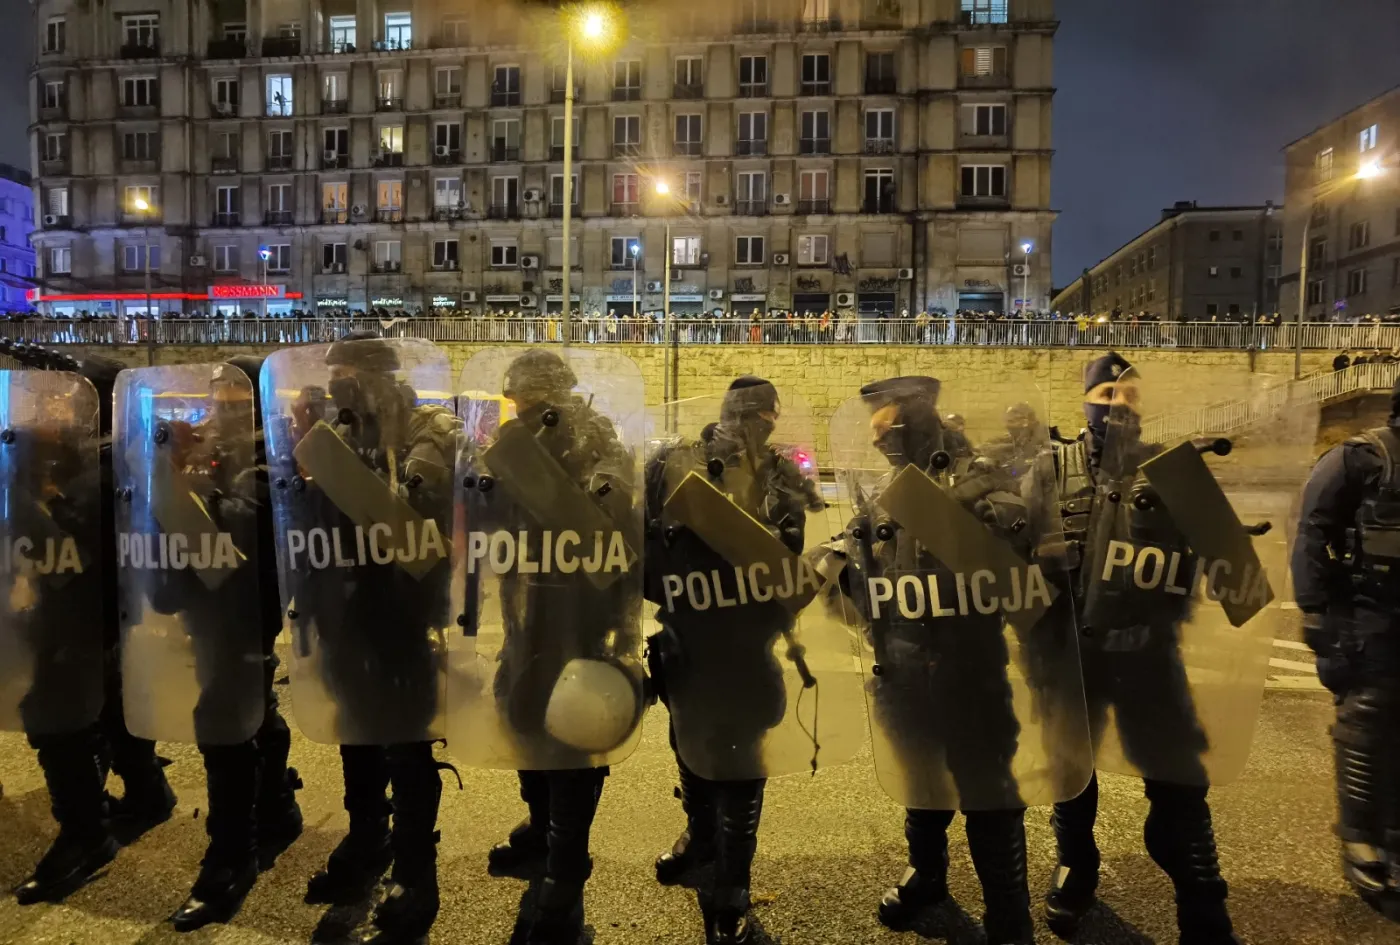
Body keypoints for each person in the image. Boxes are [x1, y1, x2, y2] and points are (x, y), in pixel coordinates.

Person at [836, 376, 1057, 945]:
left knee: (990, 796)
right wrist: (841, 575)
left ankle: (1009, 915)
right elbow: (860, 580)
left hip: (969, 672)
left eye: (886, 429)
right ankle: (927, 876)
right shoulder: (885, 491)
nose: (878, 441)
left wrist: (971, 518)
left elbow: (1024, 582)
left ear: (912, 425)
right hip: (904, 671)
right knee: (920, 782)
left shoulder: (980, 485)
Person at [1034, 352, 1244, 945]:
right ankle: (1077, 865)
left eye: (1128, 398)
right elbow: (1009, 555)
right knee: (1070, 772)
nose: (1117, 408)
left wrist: (1224, 537)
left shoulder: (1174, 470)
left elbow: (1232, 580)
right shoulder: (1049, 471)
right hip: (1070, 655)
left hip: (1151, 653)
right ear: (1085, 402)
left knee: (1179, 780)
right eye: (1105, 397)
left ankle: (1202, 898)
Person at [266, 332, 458, 944]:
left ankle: (415, 873)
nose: (339, 388)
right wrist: (305, 446)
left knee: (406, 741)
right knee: (356, 732)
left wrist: (341, 453)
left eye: (349, 377)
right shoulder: (334, 431)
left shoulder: (428, 428)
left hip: (401, 611)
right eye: (335, 378)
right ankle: (368, 838)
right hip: (341, 608)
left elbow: (415, 505)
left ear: (379, 377)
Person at [115, 358, 304, 931]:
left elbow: (255, 519)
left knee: (220, 712)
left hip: (245, 603)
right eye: (216, 403)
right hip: (202, 599)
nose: (219, 414)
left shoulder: (270, 455)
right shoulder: (208, 457)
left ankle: (230, 856)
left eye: (232, 404)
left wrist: (190, 480)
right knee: (249, 703)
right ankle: (276, 807)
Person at [469, 349, 646, 944]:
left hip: (580, 619)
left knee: (573, 739)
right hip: (526, 614)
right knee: (521, 716)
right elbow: (485, 515)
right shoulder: (516, 441)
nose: (519, 409)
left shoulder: (596, 441)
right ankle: (542, 831)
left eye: (527, 400)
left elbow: (612, 512)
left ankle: (566, 876)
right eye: (516, 400)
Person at [644, 377, 829, 944]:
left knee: (743, 770)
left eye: (760, 417)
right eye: (746, 415)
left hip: (748, 646)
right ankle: (700, 841)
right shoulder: (671, 463)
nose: (752, 426)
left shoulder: (781, 476)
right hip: (686, 638)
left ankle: (732, 887)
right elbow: (644, 545)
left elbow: (788, 564)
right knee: (690, 749)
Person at [6, 352, 177, 905]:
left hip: (84, 612)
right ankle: (148, 790)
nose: (48, 411)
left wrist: (20, 491)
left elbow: (64, 548)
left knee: (54, 716)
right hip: (107, 617)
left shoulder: (104, 469)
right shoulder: (109, 460)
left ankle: (85, 835)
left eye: (59, 399)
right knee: (110, 701)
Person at [1291, 374, 1400, 921]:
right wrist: (1315, 612)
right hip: (1371, 614)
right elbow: (1312, 531)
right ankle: (1360, 834)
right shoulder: (1361, 458)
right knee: (1366, 725)